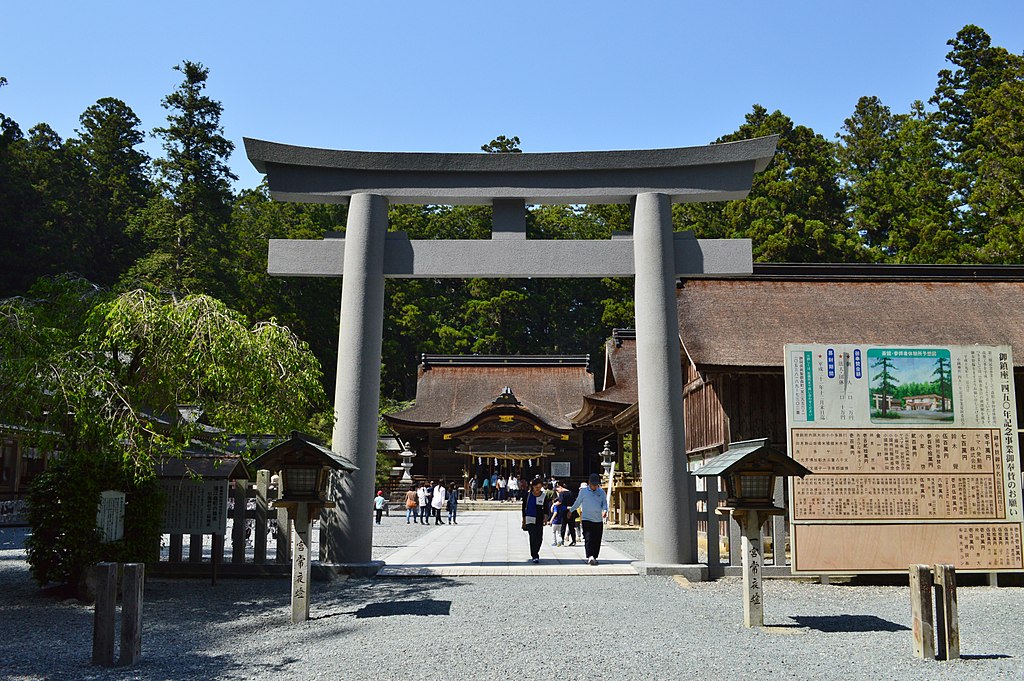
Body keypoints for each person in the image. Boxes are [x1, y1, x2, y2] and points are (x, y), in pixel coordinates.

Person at [568, 473, 608, 565]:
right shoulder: (583, 491)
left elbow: (604, 503)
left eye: (596, 485)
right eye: (593, 484)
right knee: (588, 538)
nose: (595, 486)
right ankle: (590, 556)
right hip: (587, 518)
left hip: (598, 519)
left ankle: (595, 556)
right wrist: (571, 510)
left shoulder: (601, 492)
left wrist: (605, 510)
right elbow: (578, 502)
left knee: (597, 539)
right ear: (589, 483)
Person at [521, 476, 552, 563]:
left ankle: (536, 551)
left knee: (539, 538)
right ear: (532, 487)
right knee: (533, 537)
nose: (538, 489)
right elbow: (524, 509)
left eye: (539, 487)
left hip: (539, 519)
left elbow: (546, 508)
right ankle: (534, 555)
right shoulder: (527, 496)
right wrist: (523, 520)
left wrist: (546, 518)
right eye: (536, 487)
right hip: (529, 518)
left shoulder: (543, 495)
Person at [556, 481, 577, 546]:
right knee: (571, 527)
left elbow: (560, 502)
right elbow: (574, 503)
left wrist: (554, 504)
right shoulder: (571, 493)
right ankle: (574, 540)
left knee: (563, 526)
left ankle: (562, 540)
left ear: (560, 487)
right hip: (572, 511)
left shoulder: (562, 494)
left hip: (564, 512)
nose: (558, 492)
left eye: (557, 490)